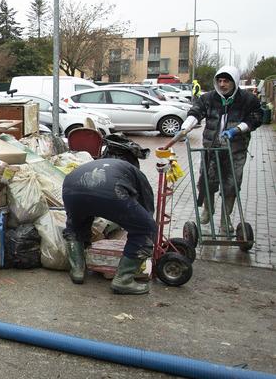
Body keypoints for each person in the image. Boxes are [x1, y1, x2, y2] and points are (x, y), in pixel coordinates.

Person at [179, 66, 262, 233]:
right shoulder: (208, 98)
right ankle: (207, 211)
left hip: (235, 150)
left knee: (231, 185)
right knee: (206, 182)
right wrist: (185, 127)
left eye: (226, 81)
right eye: (220, 81)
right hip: (211, 148)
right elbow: (196, 112)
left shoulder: (247, 100)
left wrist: (237, 129)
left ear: (234, 82)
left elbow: (256, 117)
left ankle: (225, 218)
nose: (222, 84)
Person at [62, 159, 156, 295]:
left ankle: (77, 270)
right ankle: (123, 280)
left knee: (76, 226)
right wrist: (145, 224)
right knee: (145, 228)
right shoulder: (140, 178)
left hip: (71, 188)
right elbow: (146, 206)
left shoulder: (117, 167)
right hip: (109, 190)